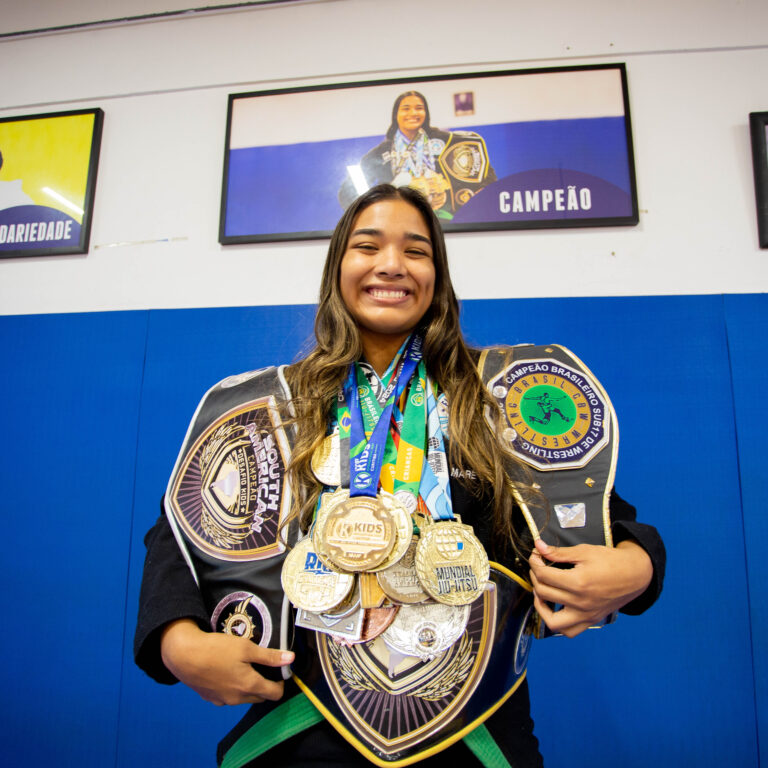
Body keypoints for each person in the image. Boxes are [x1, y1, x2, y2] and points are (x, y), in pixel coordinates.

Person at [135, 184, 665, 767]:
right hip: (294, 731)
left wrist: (637, 568)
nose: (392, 264)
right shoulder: (275, 404)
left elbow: (604, 518)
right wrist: (176, 639)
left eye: (416, 250)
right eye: (368, 246)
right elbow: (182, 531)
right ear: (338, 267)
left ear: (438, 274)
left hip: (477, 736)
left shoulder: (494, 397)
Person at [338, 92, 497, 220]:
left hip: (446, 222)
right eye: (406, 108)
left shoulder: (446, 140)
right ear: (396, 115)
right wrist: (378, 210)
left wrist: (481, 193)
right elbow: (347, 192)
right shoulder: (380, 154)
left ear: (426, 113)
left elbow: (485, 174)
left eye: (419, 108)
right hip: (400, 221)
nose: (413, 113)